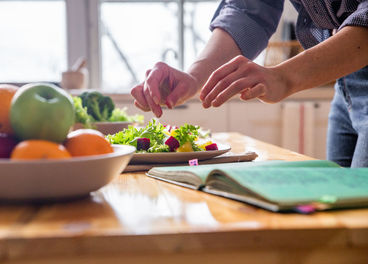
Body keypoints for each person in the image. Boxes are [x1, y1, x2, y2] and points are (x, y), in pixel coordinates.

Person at [131, 0, 368, 167]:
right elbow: (249, 9)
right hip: (346, 84)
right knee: (345, 219)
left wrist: (284, 77)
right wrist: (194, 77)